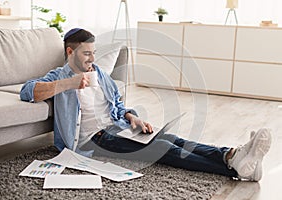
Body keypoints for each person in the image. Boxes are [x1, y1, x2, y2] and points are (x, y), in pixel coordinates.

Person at [20, 28, 272, 181]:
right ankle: (235, 169)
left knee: (172, 138)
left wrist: (132, 118)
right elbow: (27, 91)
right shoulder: (59, 76)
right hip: (92, 140)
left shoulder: (100, 74)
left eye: (94, 52)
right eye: (87, 53)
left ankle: (232, 155)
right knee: (161, 147)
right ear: (69, 53)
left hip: (117, 128)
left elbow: (117, 106)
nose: (92, 58)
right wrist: (69, 84)